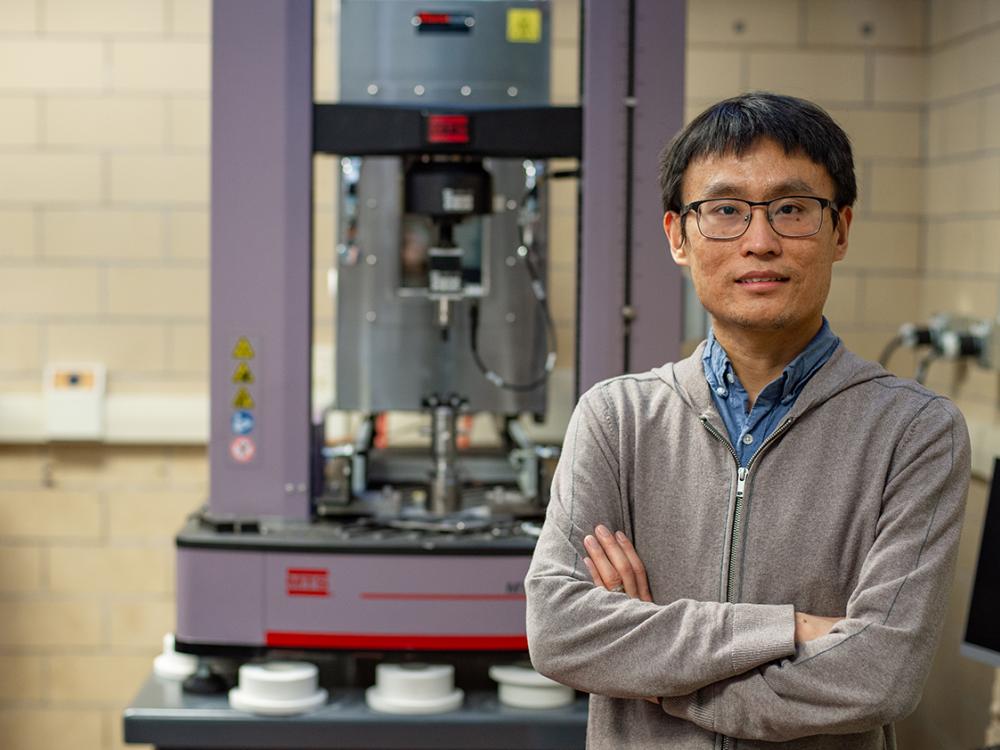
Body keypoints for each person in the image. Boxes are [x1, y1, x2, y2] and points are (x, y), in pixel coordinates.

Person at [524, 92, 970, 749]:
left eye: (792, 209)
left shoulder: (915, 431)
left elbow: (882, 675)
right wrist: (787, 629)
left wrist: (656, 672)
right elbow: (561, 633)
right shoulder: (616, 417)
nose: (760, 242)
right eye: (725, 211)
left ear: (840, 229)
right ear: (678, 235)